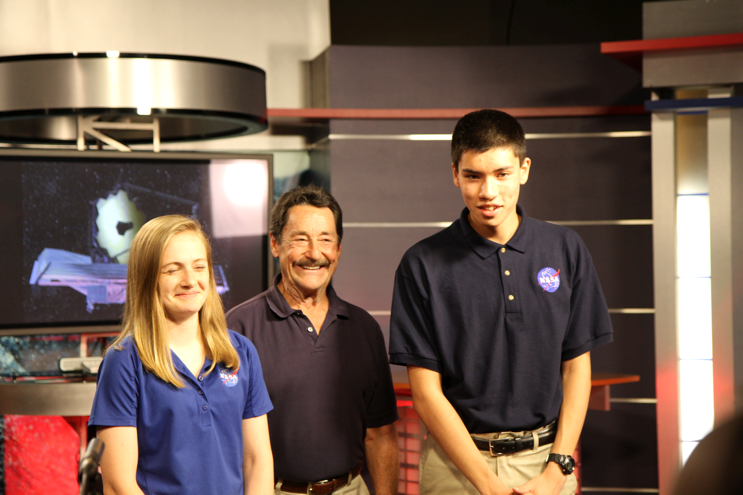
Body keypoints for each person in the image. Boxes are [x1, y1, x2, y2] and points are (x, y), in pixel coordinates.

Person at [389, 109, 613, 495]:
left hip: (547, 463)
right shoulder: (421, 263)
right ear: (455, 174)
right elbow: (426, 392)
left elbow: (577, 369)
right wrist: (486, 484)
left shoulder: (565, 248)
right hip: (454, 467)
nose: (488, 192)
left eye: (502, 174)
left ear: (524, 169)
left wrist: (558, 469)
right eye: (473, 175)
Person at [226, 185, 400, 495]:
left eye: (325, 240)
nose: (314, 253)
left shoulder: (364, 328)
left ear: (339, 249)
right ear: (276, 244)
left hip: (352, 489)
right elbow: (222, 438)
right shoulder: (237, 329)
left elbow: (381, 434)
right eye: (301, 239)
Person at [88, 215, 274, 495]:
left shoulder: (240, 352)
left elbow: (256, 461)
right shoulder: (124, 361)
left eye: (199, 267)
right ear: (147, 278)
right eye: (172, 270)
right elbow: (118, 485)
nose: (190, 281)